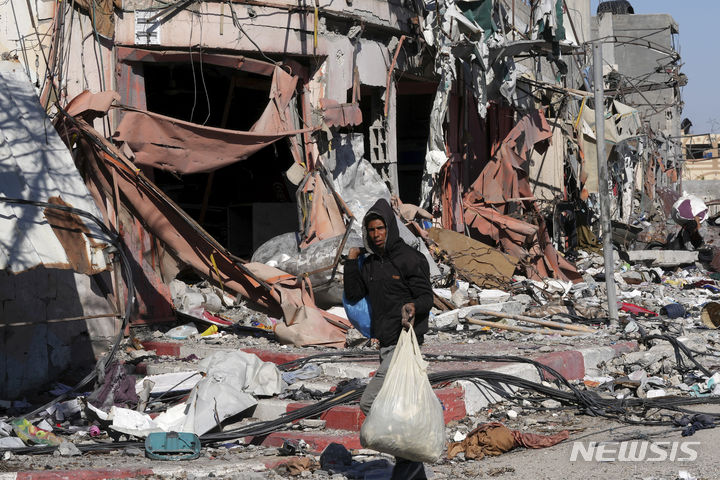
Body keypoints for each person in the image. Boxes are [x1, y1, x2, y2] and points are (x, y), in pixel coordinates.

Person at [343, 198, 433, 480]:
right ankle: (411, 466)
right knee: (397, 407)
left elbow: (426, 297)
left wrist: (413, 307)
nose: (376, 234)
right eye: (371, 230)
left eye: (380, 228)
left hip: (406, 343)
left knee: (371, 402)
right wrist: (351, 262)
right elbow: (356, 294)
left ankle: (409, 463)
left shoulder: (409, 258)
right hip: (385, 345)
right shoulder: (370, 264)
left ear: (390, 228)